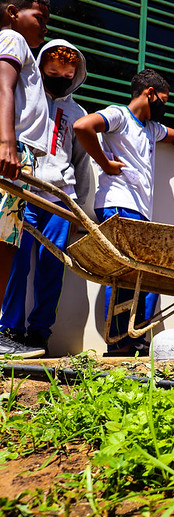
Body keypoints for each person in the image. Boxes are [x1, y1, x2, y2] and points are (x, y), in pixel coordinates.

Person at [73, 68, 174, 355]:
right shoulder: (119, 116)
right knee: (124, 276)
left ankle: (136, 340)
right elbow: (83, 126)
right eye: (163, 101)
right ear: (149, 93)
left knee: (144, 276)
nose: (164, 107)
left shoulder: (149, 128)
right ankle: (119, 342)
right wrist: (105, 164)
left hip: (139, 210)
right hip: (118, 204)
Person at [0, 39, 90, 356]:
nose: (60, 78)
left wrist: (81, 212)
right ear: (40, 68)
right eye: (52, 72)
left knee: (52, 268)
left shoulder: (77, 111)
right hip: (24, 192)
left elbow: (82, 165)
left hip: (60, 202)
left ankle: (39, 334)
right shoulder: (28, 100)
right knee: (17, 263)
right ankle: (8, 329)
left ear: (76, 75)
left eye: (67, 75)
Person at [0, 0, 51, 357]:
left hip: (20, 151)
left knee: (6, 241)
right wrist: (7, 143)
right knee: (2, 240)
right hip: (12, 148)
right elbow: (4, 87)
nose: (45, 25)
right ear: (13, 11)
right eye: (41, 16)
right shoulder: (12, 39)